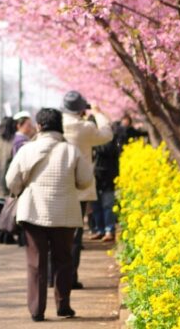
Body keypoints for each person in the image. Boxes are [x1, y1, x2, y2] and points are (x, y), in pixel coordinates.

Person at [6, 108, 92, 322]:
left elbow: (11, 181)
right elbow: (85, 181)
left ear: (40, 126)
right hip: (64, 213)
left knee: (36, 262)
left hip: (34, 211)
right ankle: (63, 306)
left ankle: (37, 310)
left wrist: (24, 187)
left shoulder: (27, 150)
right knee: (64, 259)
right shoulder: (71, 151)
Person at [61, 91, 113, 290]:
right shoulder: (85, 128)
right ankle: (71, 277)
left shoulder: (58, 124)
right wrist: (98, 113)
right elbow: (107, 134)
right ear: (82, 108)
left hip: (58, 186)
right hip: (79, 188)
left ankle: (52, 276)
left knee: (55, 232)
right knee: (75, 234)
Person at [91, 136, 120, 242]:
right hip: (96, 177)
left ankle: (109, 231)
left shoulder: (111, 140)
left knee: (108, 205)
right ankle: (100, 230)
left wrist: (94, 146)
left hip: (108, 177)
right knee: (96, 206)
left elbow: (107, 150)